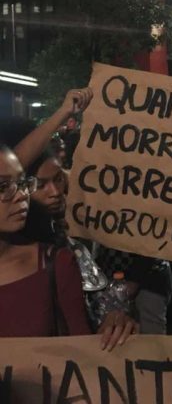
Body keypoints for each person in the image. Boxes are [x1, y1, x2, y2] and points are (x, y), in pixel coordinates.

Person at [0, 144, 134, 348]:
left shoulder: (56, 263)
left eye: (21, 182)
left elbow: (82, 355)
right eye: (3, 187)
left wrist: (114, 324)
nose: (20, 195)